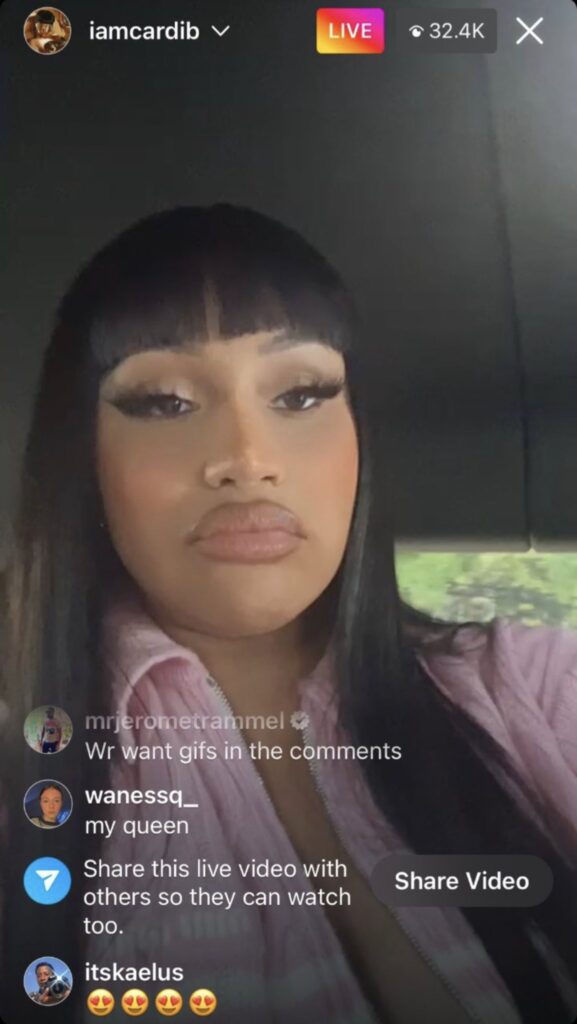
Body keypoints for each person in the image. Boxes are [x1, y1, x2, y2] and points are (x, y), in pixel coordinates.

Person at [1, 205, 577, 1024]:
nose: (246, 458)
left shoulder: (531, 686)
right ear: (83, 458)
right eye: (164, 401)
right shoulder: (26, 769)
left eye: (301, 394)